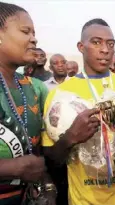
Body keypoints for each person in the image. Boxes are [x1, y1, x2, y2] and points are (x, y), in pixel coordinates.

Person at [42, 18, 115, 205]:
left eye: (110, 44)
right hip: (84, 200)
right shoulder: (59, 94)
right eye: (96, 42)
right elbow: (51, 159)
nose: (105, 49)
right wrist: (71, 137)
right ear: (81, 46)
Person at [0, 2, 56, 205]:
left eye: (34, 32)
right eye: (26, 31)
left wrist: (47, 184)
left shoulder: (35, 88)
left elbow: (39, 148)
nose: (34, 38)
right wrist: (12, 168)